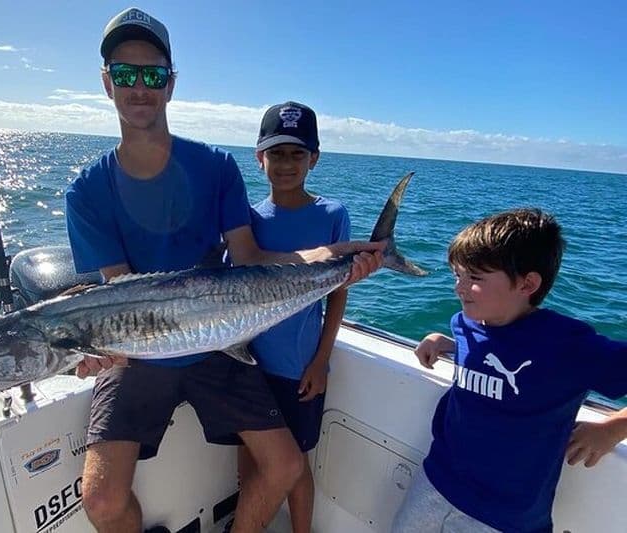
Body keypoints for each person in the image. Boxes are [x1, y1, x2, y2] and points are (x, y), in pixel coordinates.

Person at [64, 8, 385, 533]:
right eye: (125, 73)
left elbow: (253, 261)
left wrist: (332, 259)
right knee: (100, 500)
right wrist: (93, 350)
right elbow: (120, 295)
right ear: (106, 83)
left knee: (284, 465)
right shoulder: (86, 191)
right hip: (140, 352)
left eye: (152, 74)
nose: (139, 87)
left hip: (218, 342)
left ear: (171, 84)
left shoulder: (215, 167)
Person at [392, 208, 627, 533]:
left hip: (504, 518)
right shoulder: (465, 323)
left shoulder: (567, 344)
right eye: (457, 275)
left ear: (527, 284)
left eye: (474, 278)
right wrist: (444, 342)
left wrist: (615, 427)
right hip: (436, 482)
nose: (459, 288)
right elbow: (491, 350)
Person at [235, 101, 348, 533]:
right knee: (249, 459)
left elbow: (337, 293)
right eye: (276, 153)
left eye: (296, 154)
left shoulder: (332, 215)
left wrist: (320, 360)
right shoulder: (246, 220)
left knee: (296, 464)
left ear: (313, 159)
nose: (286, 164)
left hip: (298, 367)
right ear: (258, 156)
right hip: (246, 365)